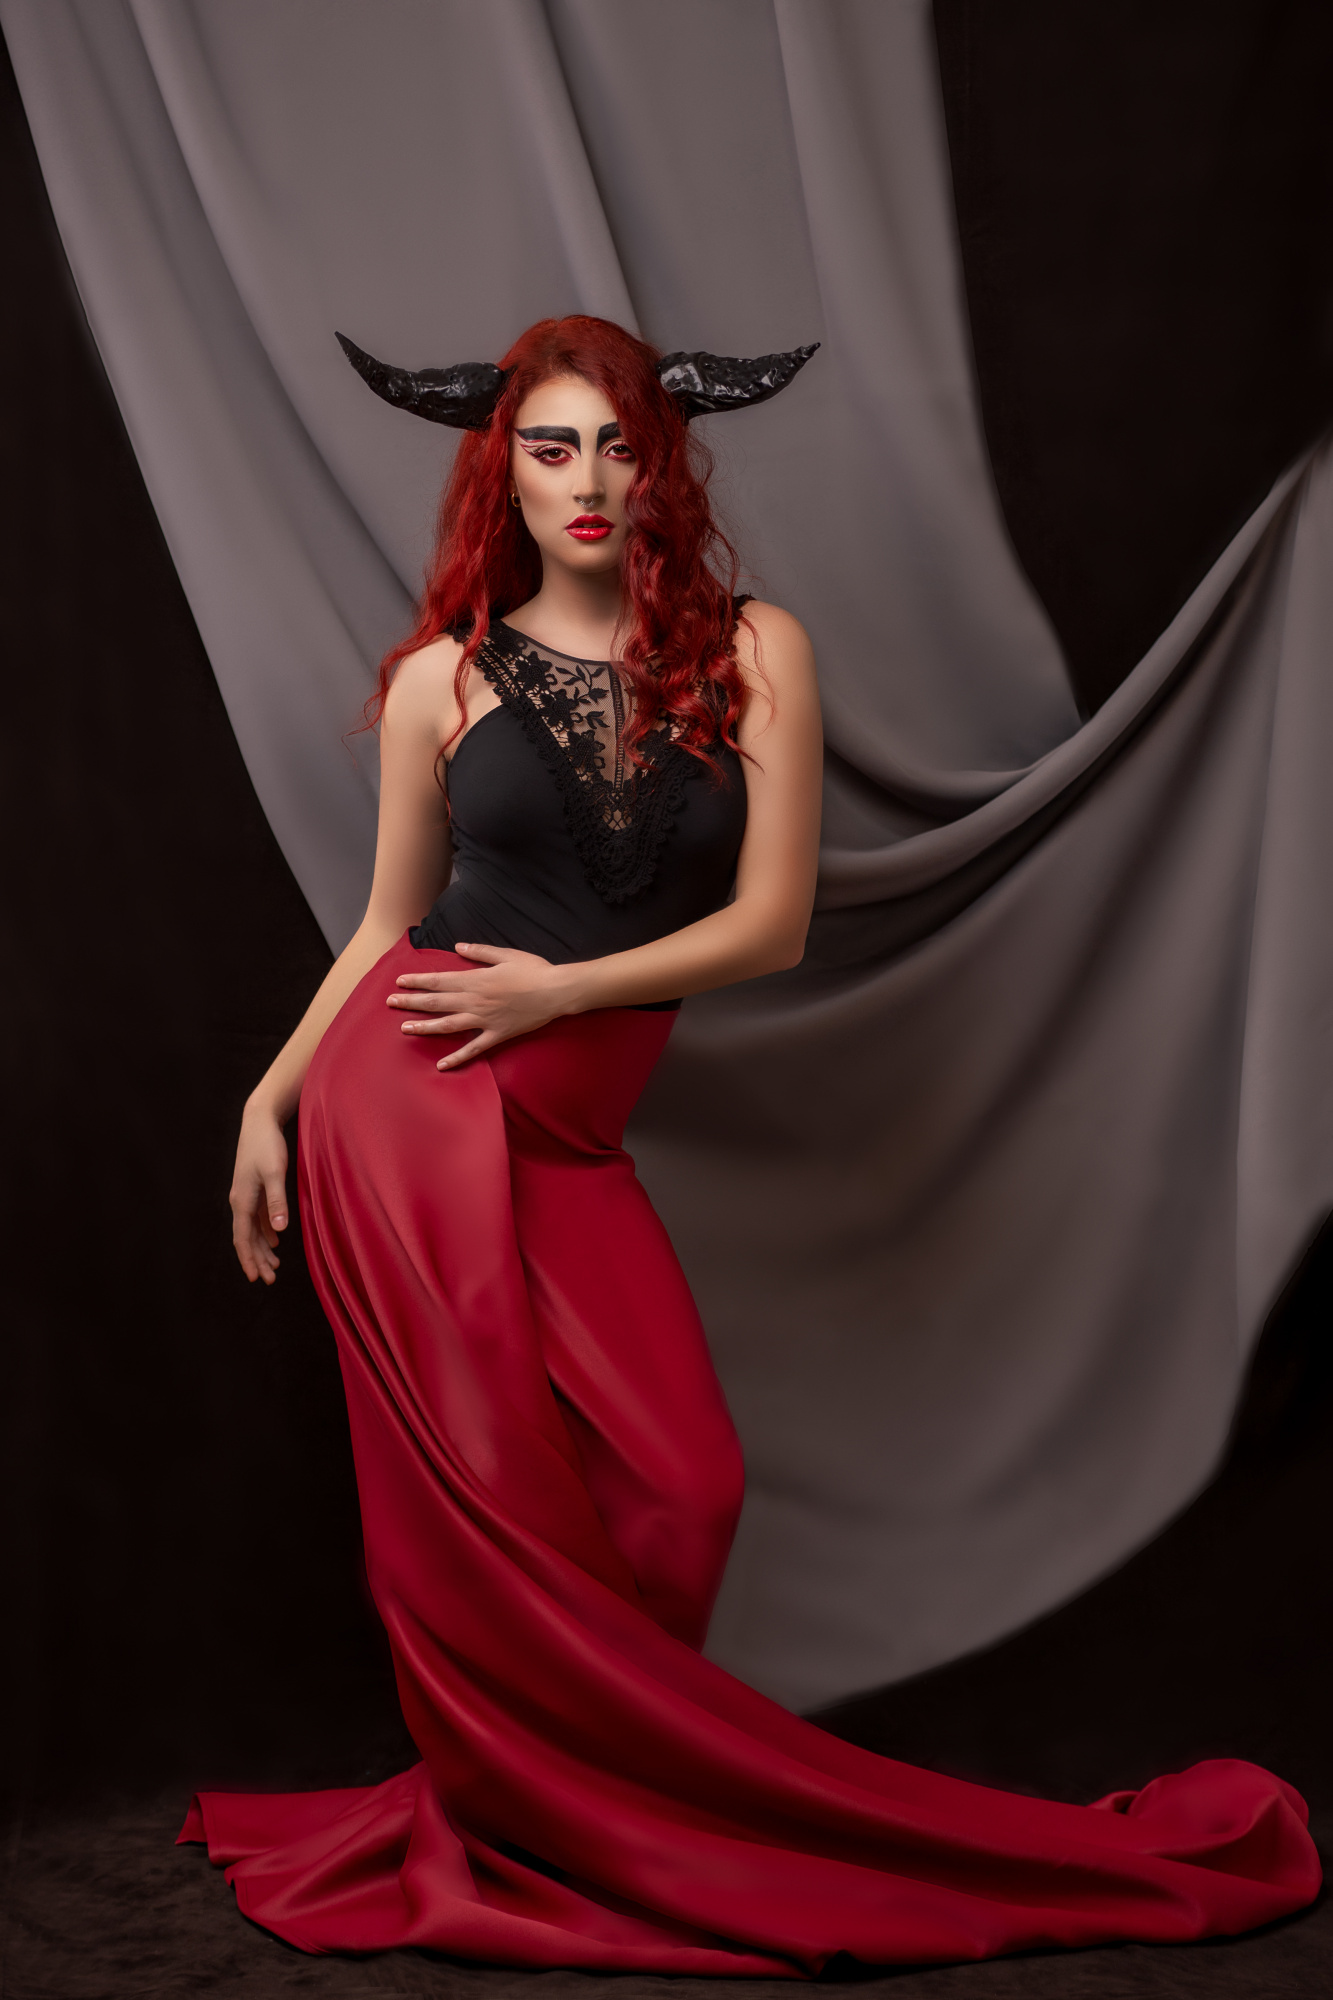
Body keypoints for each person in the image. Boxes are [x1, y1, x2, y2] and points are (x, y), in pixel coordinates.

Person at [180, 316, 1319, 1973]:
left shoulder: (756, 652)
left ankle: (610, 1805)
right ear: (505, 471)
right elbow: (381, 927)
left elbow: (771, 924)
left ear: (661, 465)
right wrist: (267, 1100)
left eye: (617, 445)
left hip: (565, 1121)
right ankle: (556, 1823)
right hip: (407, 1108)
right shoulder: (442, 678)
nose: (586, 479)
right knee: (492, 1509)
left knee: (682, 1486)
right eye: (551, 447)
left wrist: (561, 990)